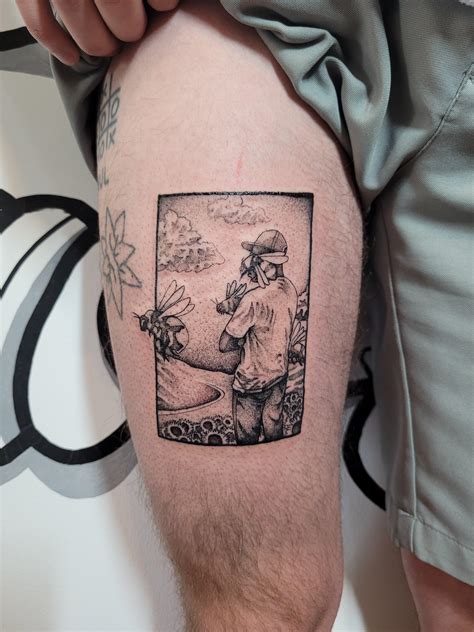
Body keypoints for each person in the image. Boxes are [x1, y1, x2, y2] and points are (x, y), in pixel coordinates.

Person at [13, 1, 474, 630]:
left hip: (255, 382)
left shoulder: (256, 297)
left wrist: (216, 319)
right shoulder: (282, 293)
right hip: (241, 16)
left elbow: (230, 342)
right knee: (260, 598)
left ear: (259, 263)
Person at [219, 230, 298, 444]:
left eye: (256, 259)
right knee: (275, 434)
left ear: (269, 262)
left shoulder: (252, 300)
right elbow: (270, 316)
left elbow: (224, 344)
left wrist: (241, 331)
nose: (251, 264)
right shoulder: (290, 290)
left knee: (247, 441)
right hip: (278, 377)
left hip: (250, 385)